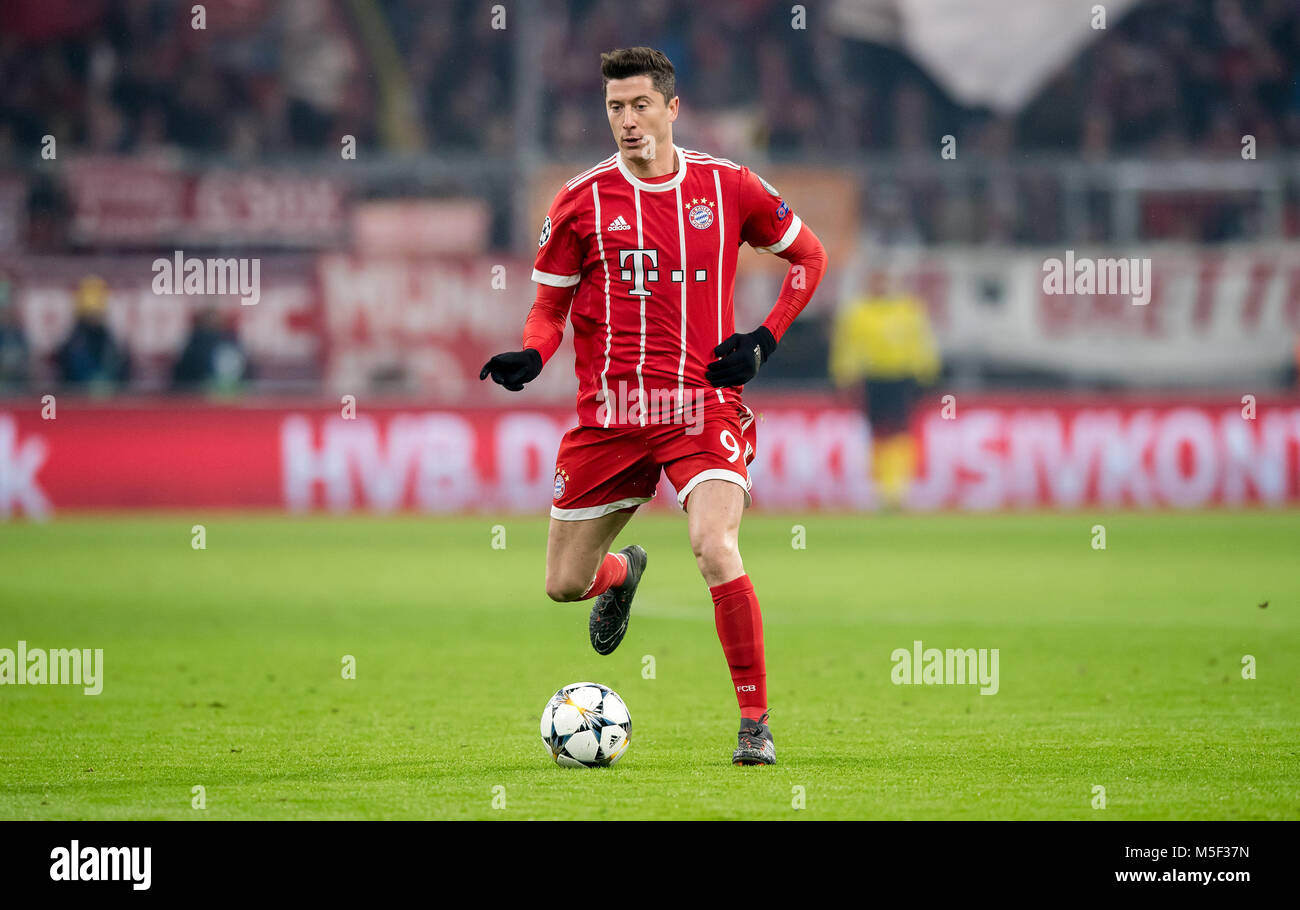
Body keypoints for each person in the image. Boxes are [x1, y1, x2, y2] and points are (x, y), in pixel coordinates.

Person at [480, 47, 827, 765]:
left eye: (640, 106)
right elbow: (549, 308)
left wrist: (765, 339)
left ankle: (754, 724)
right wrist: (533, 354)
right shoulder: (580, 200)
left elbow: (809, 258)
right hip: (610, 415)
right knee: (563, 584)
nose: (628, 122)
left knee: (714, 545)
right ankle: (622, 573)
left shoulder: (727, 186)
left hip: (702, 408)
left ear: (673, 108)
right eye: (615, 108)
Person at [829, 269, 940, 508]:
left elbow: (920, 342)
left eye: (883, 280)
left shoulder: (907, 309)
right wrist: (844, 376)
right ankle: (878, 488)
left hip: (901, 377)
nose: (880, 285)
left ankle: (899, 488)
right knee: (874, 433)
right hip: (870, 379)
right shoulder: (858, 313)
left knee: (900, 432)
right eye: (875, 280)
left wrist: (926, 373)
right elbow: (846, 346)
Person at [54, 276, 130, 389]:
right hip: (78, 395)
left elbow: (118, 366)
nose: (93, 318)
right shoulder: (74, 342)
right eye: (90, 314)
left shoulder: (108, 340)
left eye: (96, 314)